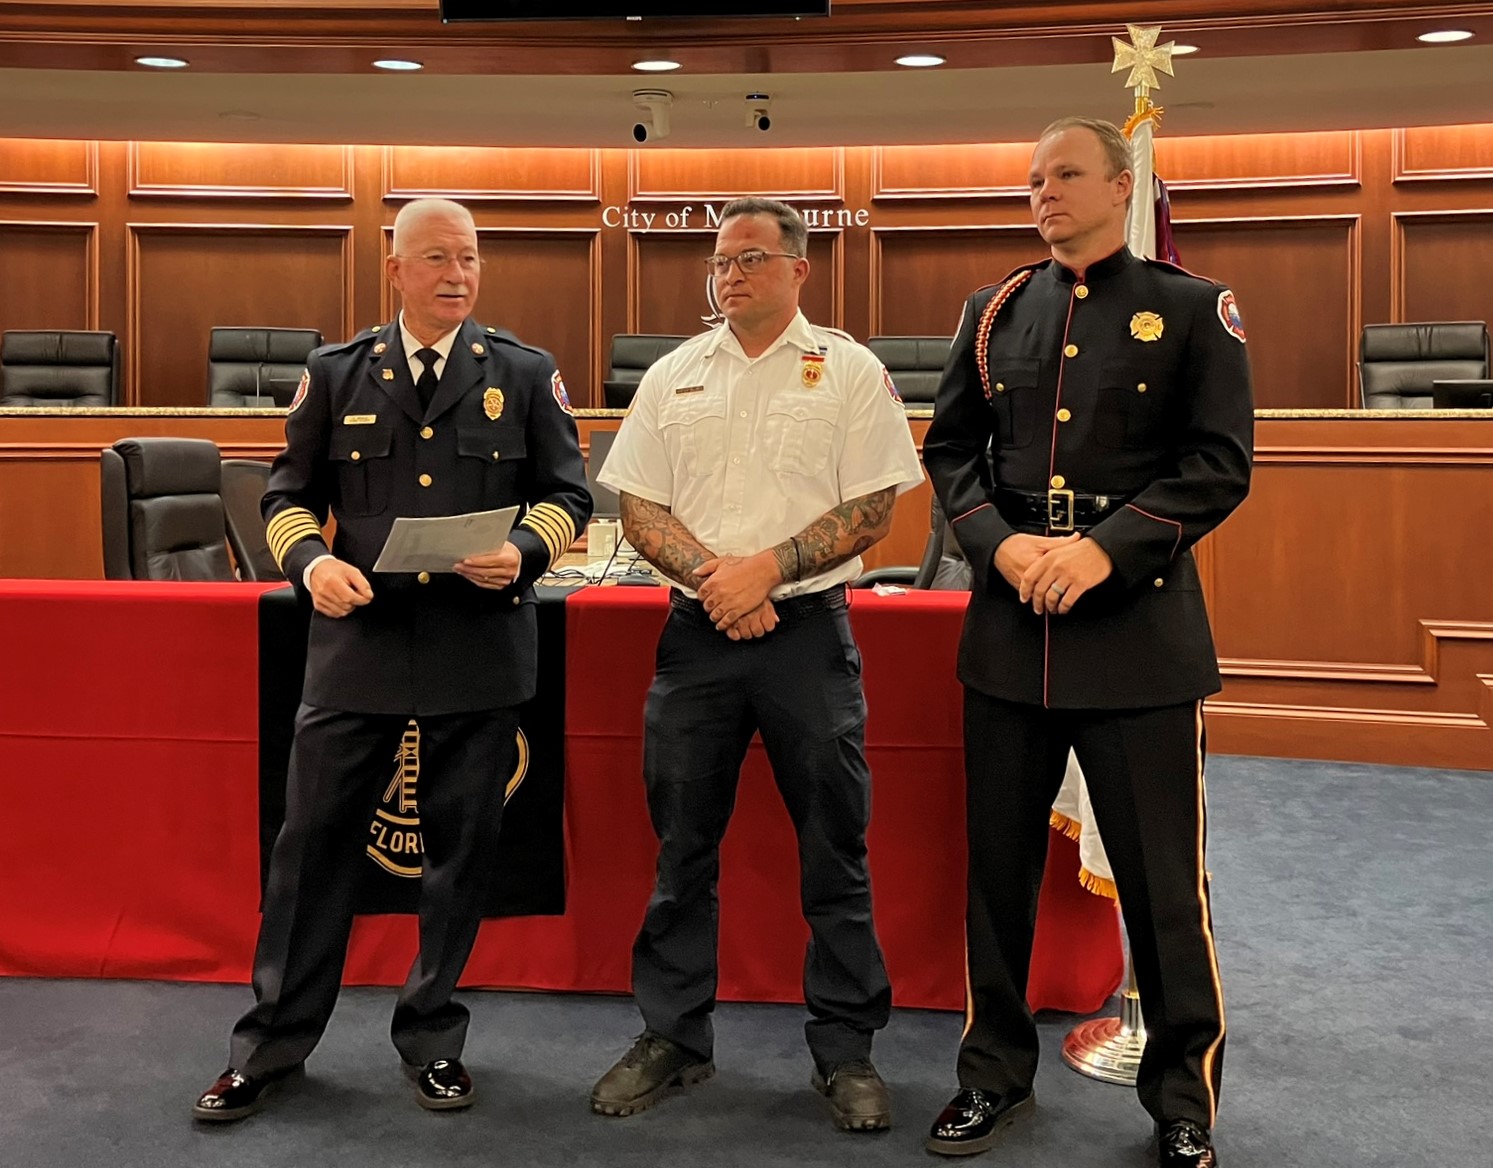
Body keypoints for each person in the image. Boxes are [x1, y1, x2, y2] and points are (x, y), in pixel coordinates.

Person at [192, 197, 591, 1121]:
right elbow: (284, 497)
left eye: (472, 259)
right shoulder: (335, 374)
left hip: (478, 645)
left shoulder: (525, 374)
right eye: (440, 258)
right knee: (310, 851)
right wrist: (311, 562)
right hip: (358, 646)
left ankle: (432, 1038)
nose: (459, 274)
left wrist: (525, 551)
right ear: (396, 269)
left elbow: (567, 493)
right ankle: (270, 1048)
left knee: (459, 856)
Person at [921, 118, 1253, 1168]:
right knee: (995, 876)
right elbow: (950, 453)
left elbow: (1217, 462)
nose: (1042, 194)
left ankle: (1181, 1100)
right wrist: (998, 547)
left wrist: (1105, 549)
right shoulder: (993, 312)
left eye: (1063, 175)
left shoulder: (1192, 309)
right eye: (1030, 180)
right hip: (1010, 637)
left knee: (1163, 884)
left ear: (1121, 185)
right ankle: (990, 1076)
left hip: (1138, 638)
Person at [591, 197, 924, 1132]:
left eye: (748, 259)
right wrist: (716, 580)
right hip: (697, 638)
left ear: (797, 270)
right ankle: (672, 1038)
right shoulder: (673, 374)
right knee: (679, 850)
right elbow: (637, 507)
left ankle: (846, 1049)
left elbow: (874, 510)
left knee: (835, 850)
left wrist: (766, 570)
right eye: (718, 261)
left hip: (809, 637)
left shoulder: (850, 370)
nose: (728, 275)